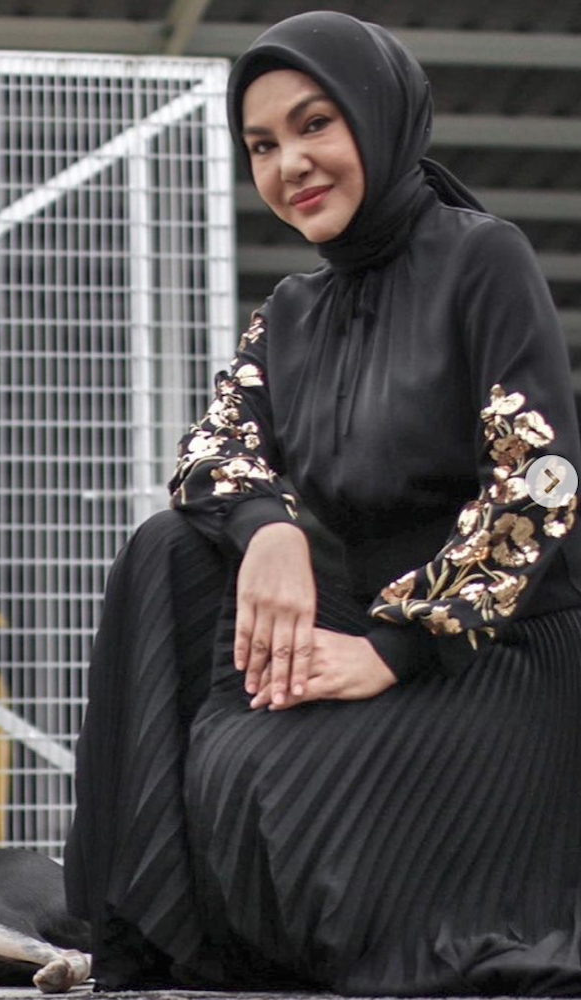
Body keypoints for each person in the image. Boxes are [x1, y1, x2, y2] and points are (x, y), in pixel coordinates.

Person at [64, 11, 581, 996]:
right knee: (169, 548)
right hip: (350, 634)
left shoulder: (483, 258)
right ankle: (133, 922)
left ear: (379, 118)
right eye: (262, 145)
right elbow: (212, 452)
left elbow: (538, 481)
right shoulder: (291, 313)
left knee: (281, 793)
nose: (289, 164)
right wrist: (271, 529)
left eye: (314, 124)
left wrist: (396, 645)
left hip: (491, 656)